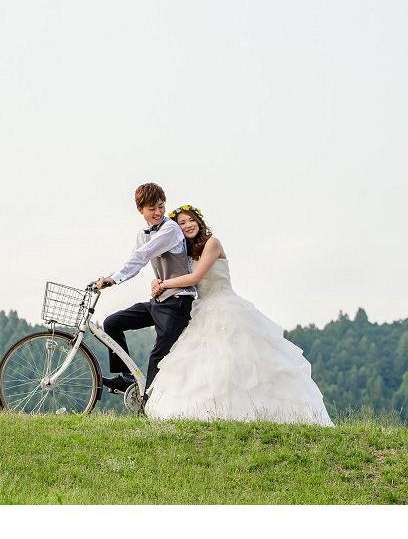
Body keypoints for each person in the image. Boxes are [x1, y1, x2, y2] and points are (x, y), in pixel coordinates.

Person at [144, 204, 333, 426]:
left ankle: (257, 413)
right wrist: (156, 281)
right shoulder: (186, 253)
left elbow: (196, 277)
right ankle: (208, 413)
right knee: (204, 365)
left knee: (236, 362)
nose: (187, 225)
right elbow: (174, 272)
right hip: (202, 311)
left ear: (199, 220)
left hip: (226, 308)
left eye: (190, 220)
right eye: (181, 223)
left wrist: (163, 284)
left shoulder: (213, 244)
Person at [92, 182, 196, 399]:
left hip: (178, 302)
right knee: (112, 323)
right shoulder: (143, 234)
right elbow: (133, 261)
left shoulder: (170, 229)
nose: (158, 212)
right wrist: (111, 277)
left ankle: (148, 402)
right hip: (159, 301)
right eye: (152, 208)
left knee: (158, 356)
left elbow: (142, 256)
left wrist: (113, 279)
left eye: (161, 206)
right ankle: (127, 376)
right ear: (141, 210)